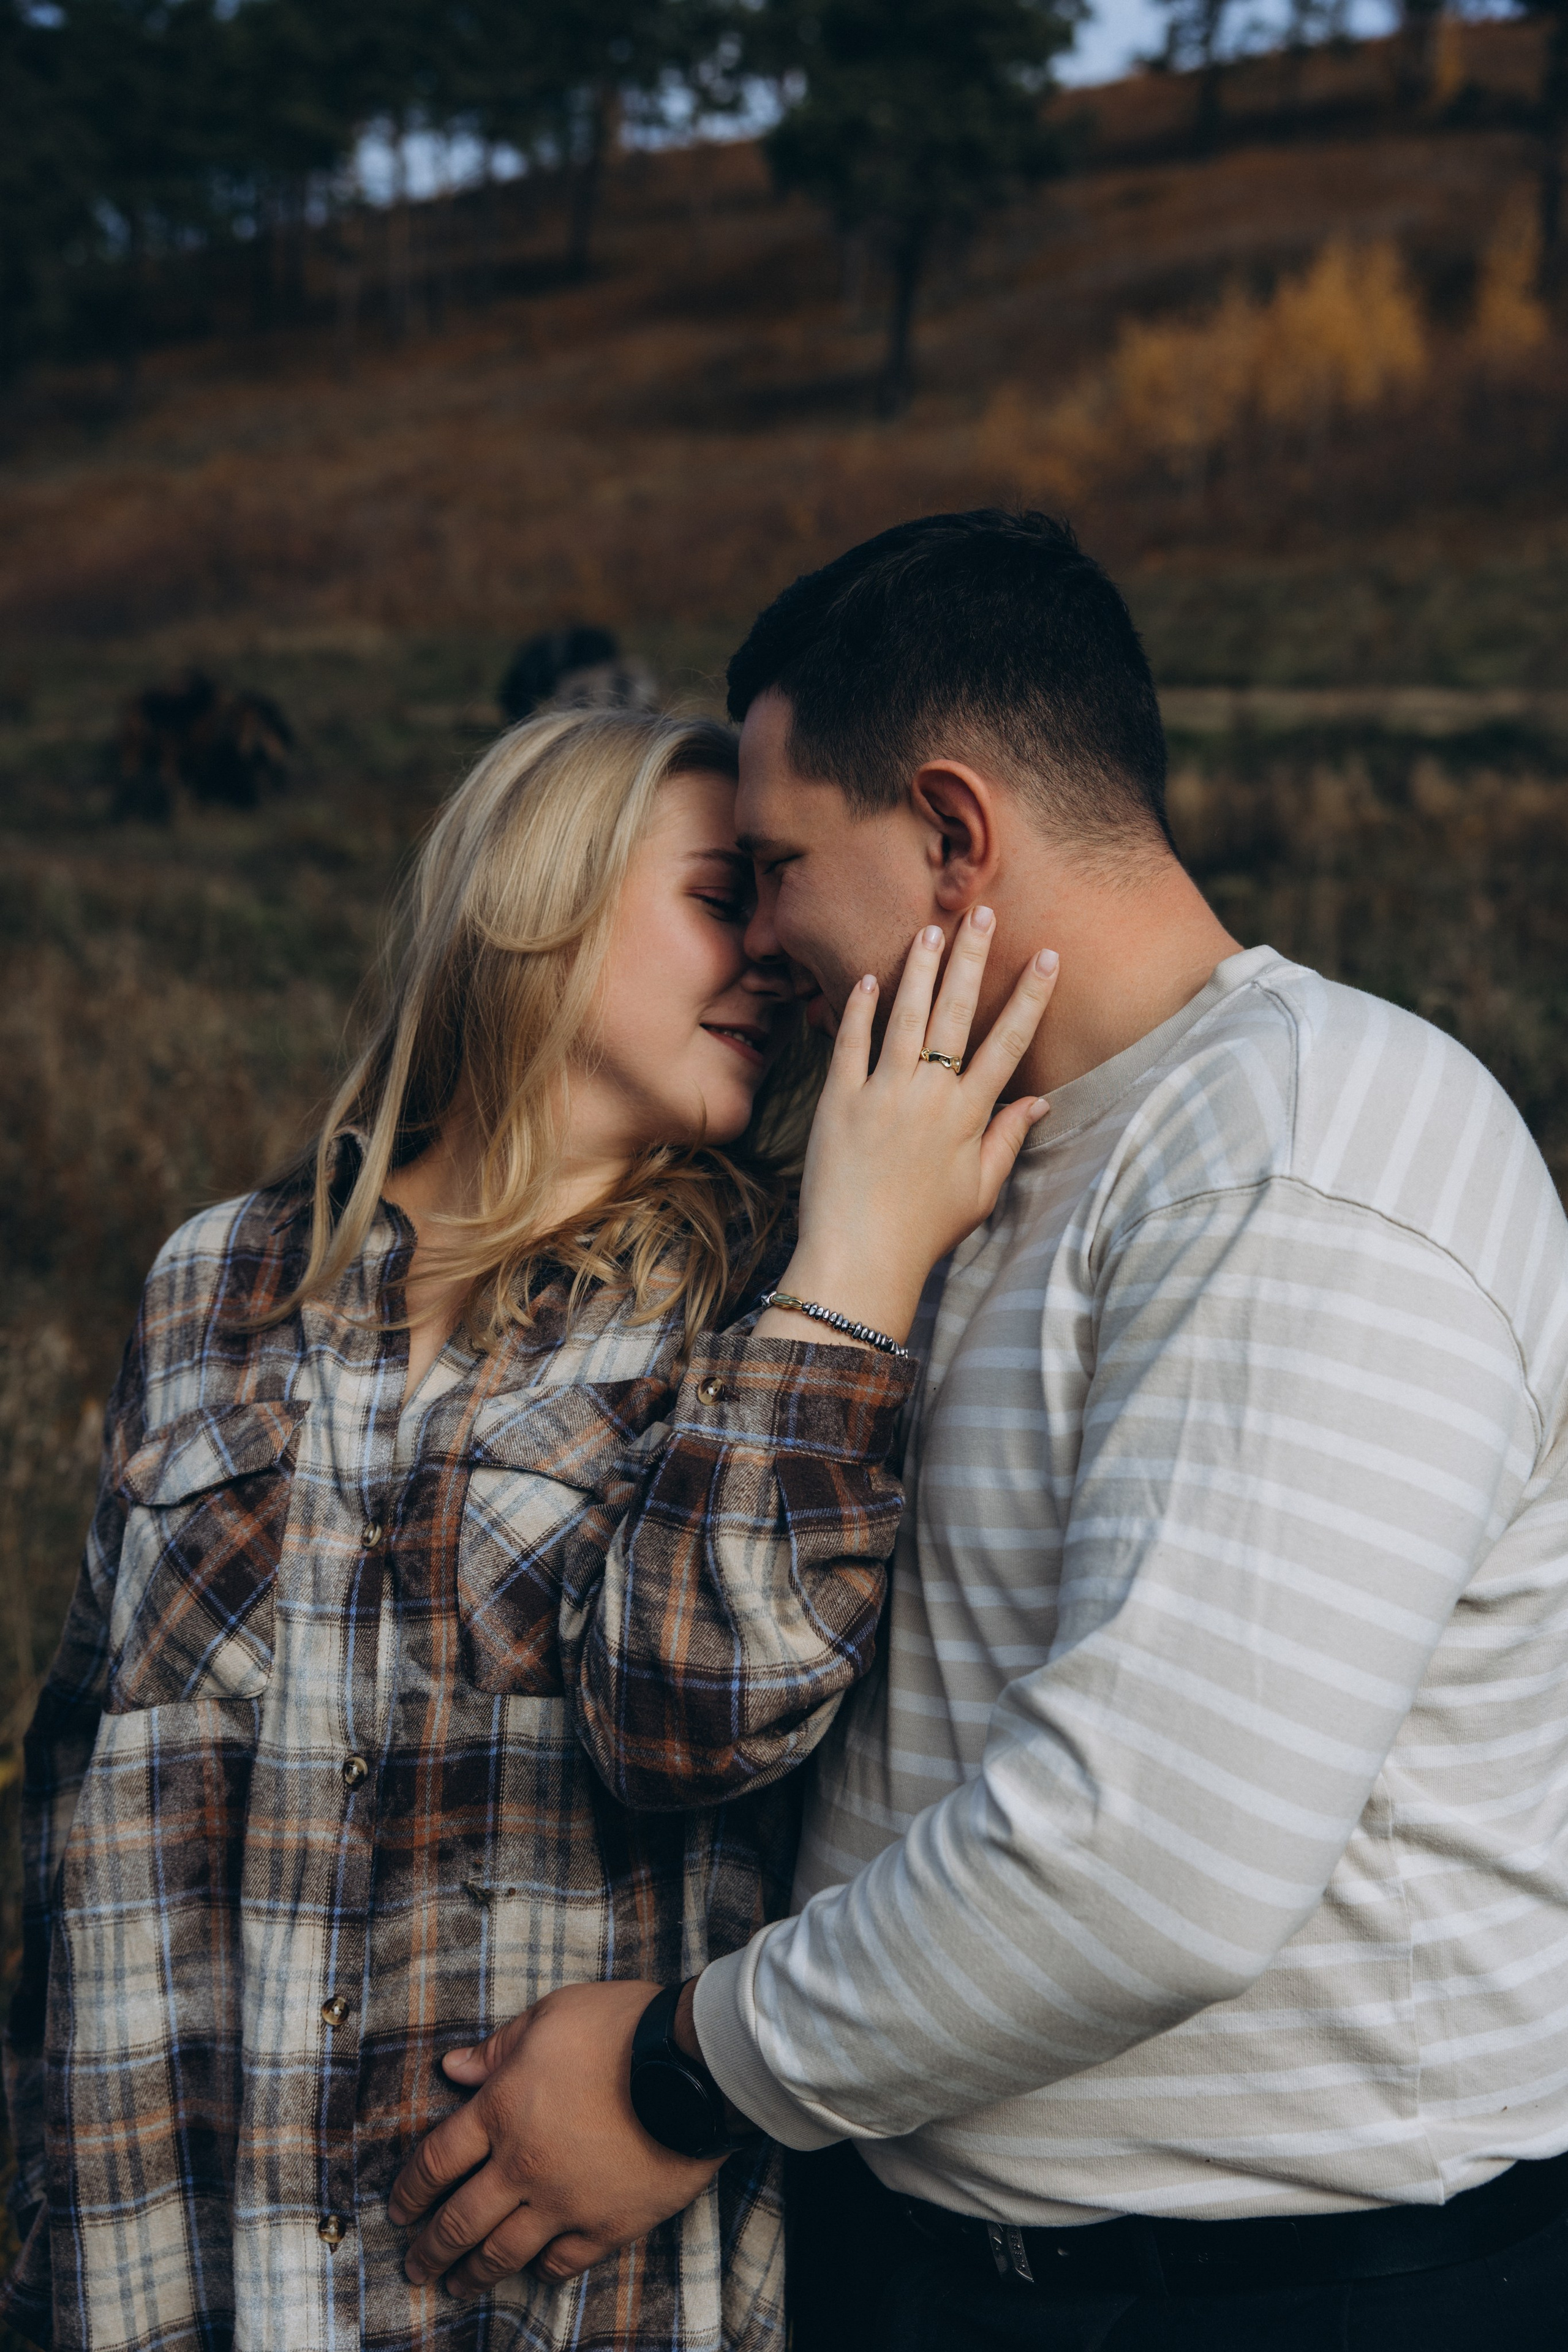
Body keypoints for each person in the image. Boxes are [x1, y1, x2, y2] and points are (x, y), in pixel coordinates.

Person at [389, 514, 1568, 2352]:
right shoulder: (952, 1155)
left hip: (1276, 2290)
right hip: (926, 2261)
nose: (763, 941)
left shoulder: (1311, 1156)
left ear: (953, 833)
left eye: (778, 869)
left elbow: (1153, 1865)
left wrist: (680, 2077)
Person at [0, 703, 1057, 2352]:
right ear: (532, 900)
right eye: (725, 895)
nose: (779, 956)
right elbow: (80, 1778)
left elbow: (701, 1722)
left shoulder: (775, 1313)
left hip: (538, 2296)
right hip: (170, 2264)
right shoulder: (213, 1278)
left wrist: (851, 1271)